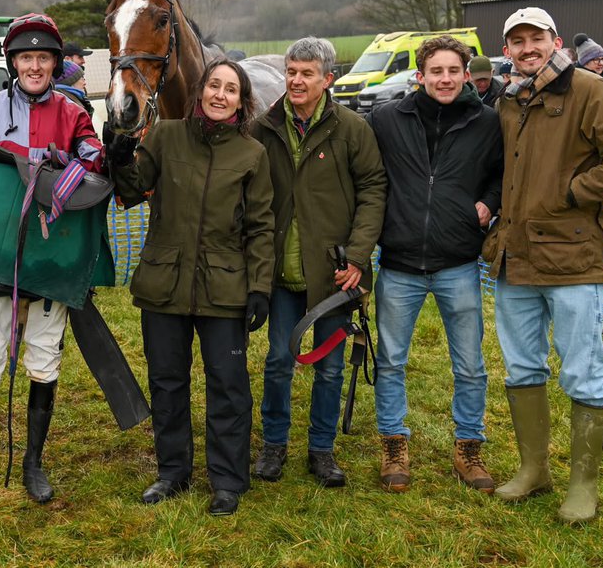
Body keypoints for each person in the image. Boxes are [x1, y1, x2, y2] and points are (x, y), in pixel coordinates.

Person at [485, 7, 603, 524]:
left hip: (575, 258)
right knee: (520, 366)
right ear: (507, 49)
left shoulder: (588, 90)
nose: (527, 48)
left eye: (537, 38)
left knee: (583, 372)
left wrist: (574, 191)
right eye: (518, 41)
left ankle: (584, 486)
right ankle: (534, 469)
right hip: (516, 259)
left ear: (555, 41)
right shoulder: (510, 102)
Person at [0, 13, 103, 507]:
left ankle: (34, 463)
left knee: (43, 357)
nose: (35, 65)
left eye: (44, 57)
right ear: (13, 62)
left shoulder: (73, 111)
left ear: (56, 63)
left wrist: (74, 166)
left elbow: (93, 155)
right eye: (26, 57)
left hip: (49, 255)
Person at [110, 58, 274, 517]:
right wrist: (119, 160)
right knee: (166, 382)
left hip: (225, 289)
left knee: (229, 385)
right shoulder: (165, 136)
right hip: (164, 282)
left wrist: (259, 287)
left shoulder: (251, 155)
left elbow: (262, 227)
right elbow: (131, 190)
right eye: (214, 86)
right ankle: (172, 472)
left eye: (231, 90)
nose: (220, 95)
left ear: (242, 102)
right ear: (201, 90)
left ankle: (227, 479)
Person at [249, 37, 387, 488]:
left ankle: (322, 450)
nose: (296, 80)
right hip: (279, 274)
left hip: (334, 277)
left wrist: (359, 257)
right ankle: (273, 444)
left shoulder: (352, 129)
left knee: (329, 366)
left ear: (329, 79)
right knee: (277, 361)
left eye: (307, 73)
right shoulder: (264, 128)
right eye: (291, 71)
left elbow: (373, 191)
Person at [368, 35, 502, 493]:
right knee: (391, 362)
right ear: (419, 76)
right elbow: (365, 174)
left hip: (458, 263)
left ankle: (469, 449)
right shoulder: (387, 119)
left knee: (469, 366)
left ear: (467, 75)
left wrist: (488, 202)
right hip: (400, 264)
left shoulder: (487, 122)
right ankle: (393, 445)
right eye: (435, 71)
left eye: (453, 71)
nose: (444, 79)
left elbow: (504, 173)